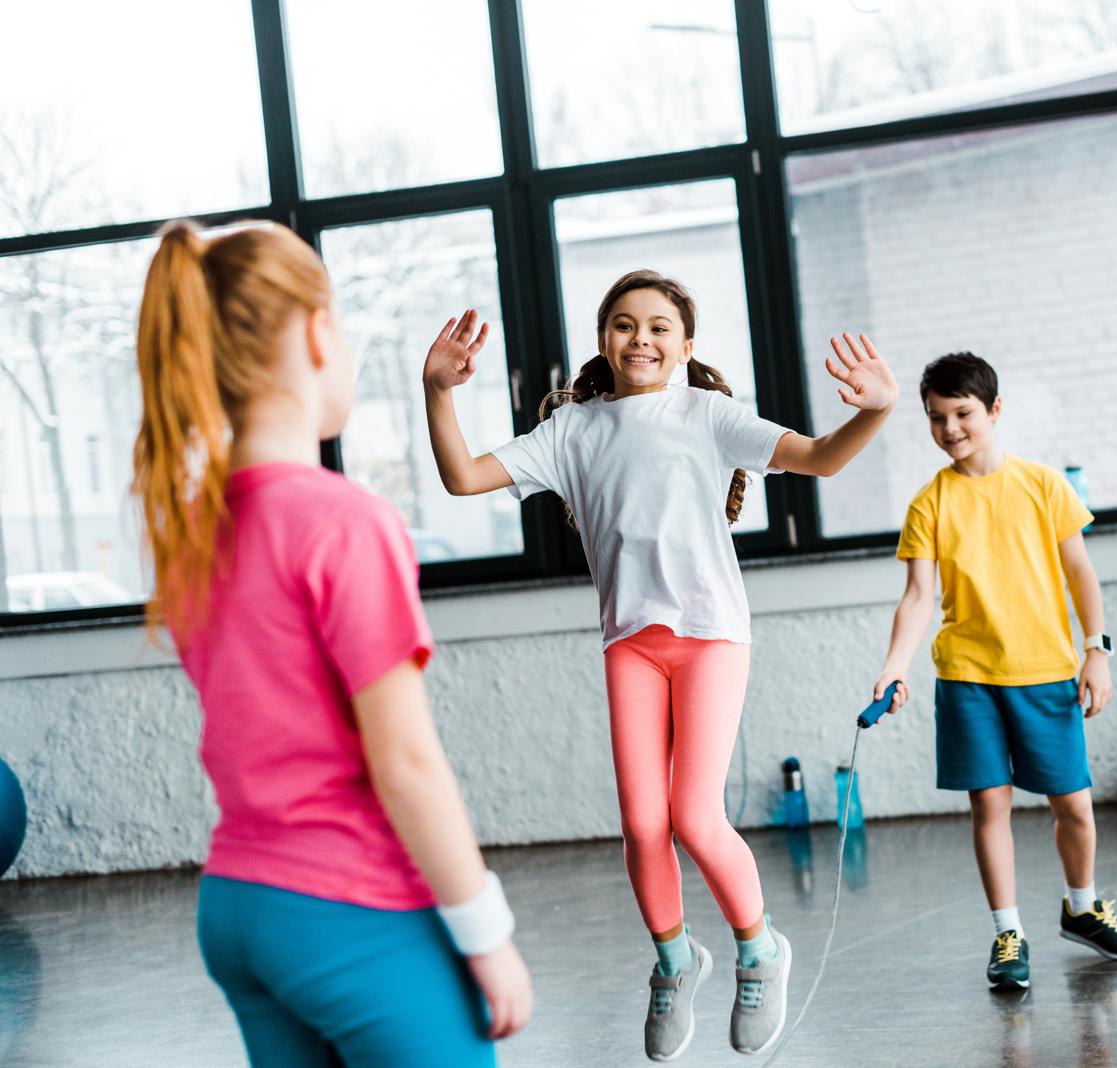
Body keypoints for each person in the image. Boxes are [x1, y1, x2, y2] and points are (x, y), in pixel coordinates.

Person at [421, 269, 898, 1058]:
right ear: (603, 339)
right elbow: (463, 476)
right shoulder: (572, 431)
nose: (639, 338)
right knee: (644, 824)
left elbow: (818, 459)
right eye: (622, 324)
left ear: (684, 345)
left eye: (657, 327)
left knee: (692, 814)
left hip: (711, 634)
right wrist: (439, 391)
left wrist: (875, 410)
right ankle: (675, 963)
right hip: (630, 644)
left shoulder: (707, 415)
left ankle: (759, 950)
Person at [131, 221, 532, 1067]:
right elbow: (406, 763)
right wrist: (486, 934)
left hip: (239, 910)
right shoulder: (345, 522)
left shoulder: (198, 531)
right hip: (346, 906)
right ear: (318, 333)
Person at [874, 351, 1117, 993]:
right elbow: (917, 597)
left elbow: (1081, 572)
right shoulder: (929, 505)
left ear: (994, 410)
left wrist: (1097, 650)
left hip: (1046, 673)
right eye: (937, 418)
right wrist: (893, 668)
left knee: (1074, 809)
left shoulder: (1045, 485)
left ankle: (1082, 909)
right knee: (989, 806)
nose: (951, 429)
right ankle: (1008, 932)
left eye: (963, 413)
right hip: (968, 677)